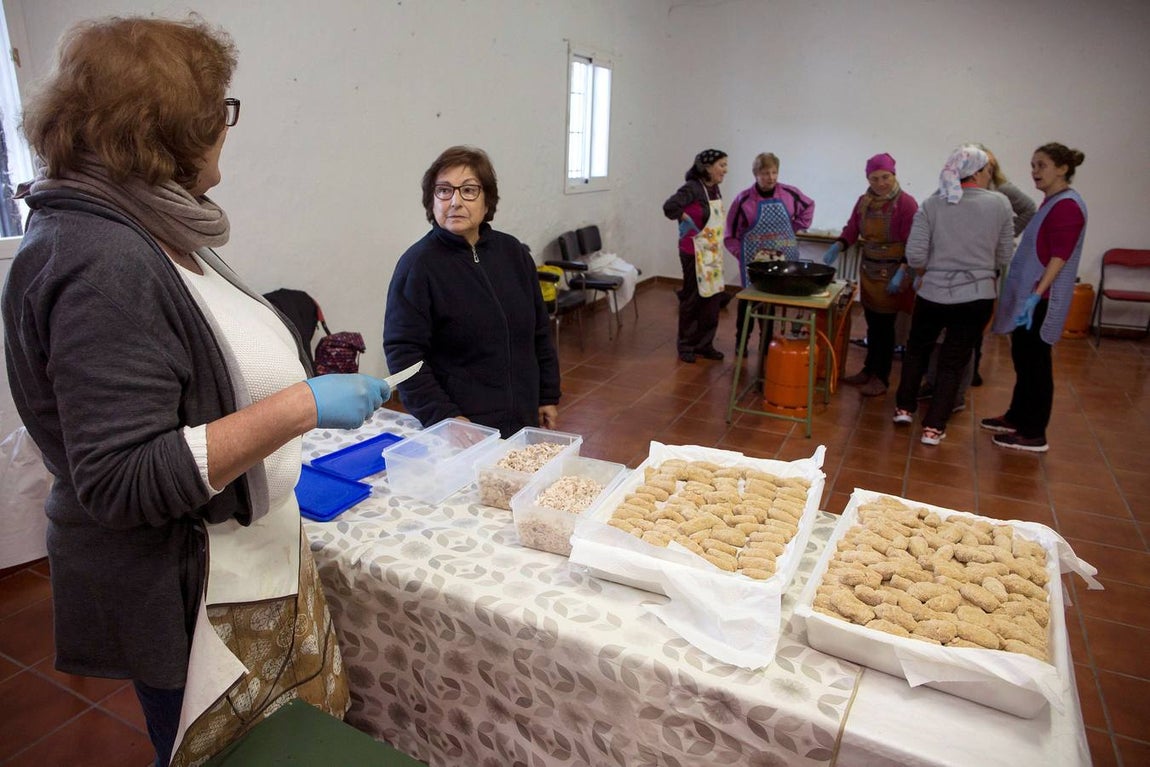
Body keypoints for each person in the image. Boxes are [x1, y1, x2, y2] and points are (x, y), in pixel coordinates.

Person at [2, 17, 392, 767]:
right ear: (171, 130)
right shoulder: (101, 258)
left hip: (250, 556)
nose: (226, 125)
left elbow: (192, 363)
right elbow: (120, 478)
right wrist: (301, 403)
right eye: (220, 108)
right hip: (190, 591)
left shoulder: (145, 220)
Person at [384, 145, 560, 438]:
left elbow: (539, 331)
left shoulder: (513, 253)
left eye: (469, 190)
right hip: (465, 426)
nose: (455, 201)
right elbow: (404, 354)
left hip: (523, 417)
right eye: (444, 190)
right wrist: (445, 417)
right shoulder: (418, 266)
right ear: (432, 201)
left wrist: (547, 394)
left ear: (487, 200)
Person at [891, 146, 1014, 445]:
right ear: (978, 171)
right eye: (987, 171)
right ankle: (934, 427)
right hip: (976, 297)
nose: (989, 177)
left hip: (932, 294)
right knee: (953, 360)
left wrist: (930, 272)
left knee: (918, 350)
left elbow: (916, 254)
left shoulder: (933, 204)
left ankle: (904, 408)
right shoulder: (1000, 204)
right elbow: (1005, 254)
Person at [983, 143, 1088, 452]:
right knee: (1024, 360)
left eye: (1041, 165)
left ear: (1062, 168)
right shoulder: (1052, 201)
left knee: (1036, 364)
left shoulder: (1068, 205)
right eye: (1032, 165)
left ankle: (1033, 431)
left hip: (1040, 301)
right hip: (1031, 298)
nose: (1034, 172)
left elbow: (1060, 256)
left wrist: (1036, 295)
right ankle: (1017, 415)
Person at [823, 153, 918, 396]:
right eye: (874, 178)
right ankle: (869, 369)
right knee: (873, 323)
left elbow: (913, 242)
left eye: (885, 177)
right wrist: (840, 244)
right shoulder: (863, 202)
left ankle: (881, 378)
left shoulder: (906, 204)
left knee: (885, 327)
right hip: (869, 270)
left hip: (894, 272)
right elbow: (852, 228)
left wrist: (903, 273)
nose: (880, 183)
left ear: (894, 175)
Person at [724, 152, 815, 352]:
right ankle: (741, 343)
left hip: (783, 258)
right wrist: (743, 254)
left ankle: (766, 344)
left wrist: (794, 227)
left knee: (771, 300)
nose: (771, 177)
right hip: (754, 260)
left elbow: (809, 206)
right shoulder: (744, 199)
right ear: (756, 174)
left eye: (774, 172)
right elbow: (730, 233)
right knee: (748, 300)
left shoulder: (790, 194)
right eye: (765, 173)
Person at [663, 149, 729, 363]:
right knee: (693, 297)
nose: (725, 170)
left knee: (712, 298)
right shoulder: (692, 188)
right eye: (721, 165)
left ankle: (705, 344)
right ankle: (686, 345)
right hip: (693, 251)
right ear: (707, 167)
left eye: (725, 165)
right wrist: (684, 218)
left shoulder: (714, 189)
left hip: (712, 253)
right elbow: (669, 206)